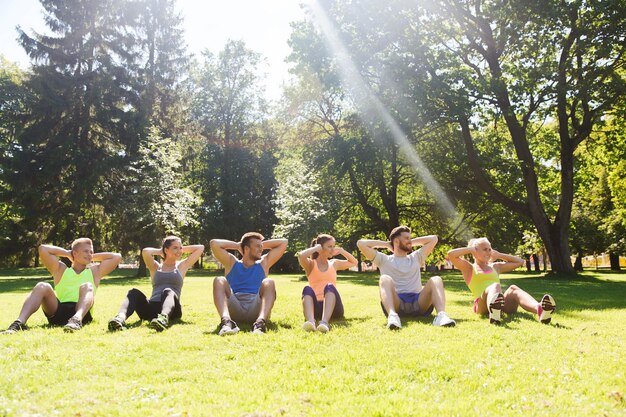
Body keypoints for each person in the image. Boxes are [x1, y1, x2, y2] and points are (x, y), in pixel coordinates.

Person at [2, 238, 121, 334]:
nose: (89, 254)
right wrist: (68, 254)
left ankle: (76, 320)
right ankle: (18, 323)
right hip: (58, 310)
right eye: (86, 251)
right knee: (42, 285)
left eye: (91, 251)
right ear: (75, 253)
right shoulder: (61, 269)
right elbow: (43, 249)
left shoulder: (95, 272)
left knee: (87, 285)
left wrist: (89, 256)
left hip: (82, 314)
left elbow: (117, 257)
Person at [357, 226, 456, 329]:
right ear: (396, 241)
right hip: (397, 303)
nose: (410, 241)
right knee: (384, 279)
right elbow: (361, 244)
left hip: (419, 302)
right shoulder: (383, 259)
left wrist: (408, 242)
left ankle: (441, 316)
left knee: (436, 279)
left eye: (410, 238)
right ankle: (393, 316)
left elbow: (434, 239)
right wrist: (387, 244)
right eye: (407, 238)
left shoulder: (416, 257)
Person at [447, 237, 556, 324]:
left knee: (513, 289)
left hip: (499, 302)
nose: (489, 252)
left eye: (490, 249)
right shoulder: (469, 268)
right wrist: (470, 249)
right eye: (485, 249)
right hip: (481, 305)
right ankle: (494, 314)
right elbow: (451, 255)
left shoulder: (495, 267)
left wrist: (499, 255)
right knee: (494, 286)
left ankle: (540, 309)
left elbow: (520, 261)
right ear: (475, 251)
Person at [108, 236, 204, 332]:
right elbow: (146, 252)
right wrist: (161, 250)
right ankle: (120, 318)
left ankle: (163, 318)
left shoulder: (182, 266)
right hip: (151, 309)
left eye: (180, 247)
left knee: (168, 291)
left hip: (173, 310)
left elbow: (200, 248)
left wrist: (179, 249)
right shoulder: (155, 267)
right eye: (175, 248)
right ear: (166, 250)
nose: (179, 251)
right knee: (133, 292)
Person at [211, 232, 288, 335]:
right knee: (219, 280)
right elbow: (214, 243)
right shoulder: (231, 262)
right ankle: (227, 323)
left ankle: (260, 324)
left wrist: (259, 244)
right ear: (246, 249)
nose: (261, 249)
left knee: (269, 282)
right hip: (235, 306)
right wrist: (238, 245)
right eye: (257, 246)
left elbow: (283, 242)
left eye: (262, 246)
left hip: (256, 307)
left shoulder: (264, 263)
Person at [297, 234, 357, 333]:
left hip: (334, 309)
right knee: (306, 288)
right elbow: (301, 256)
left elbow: (354, 262)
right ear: (320, 248)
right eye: (329, 246)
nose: (332, 249)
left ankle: (324, 322)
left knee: (329, 286)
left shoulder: (334, 263)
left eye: (334, 246)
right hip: (316, 308)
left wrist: (341, 251)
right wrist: (315, 248)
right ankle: (311, 322)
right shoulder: (311, 264)